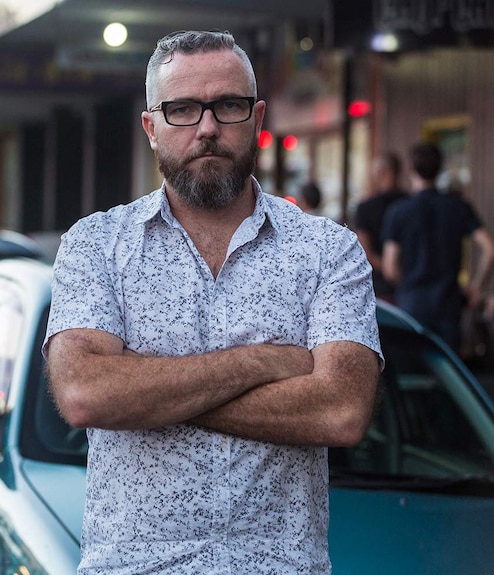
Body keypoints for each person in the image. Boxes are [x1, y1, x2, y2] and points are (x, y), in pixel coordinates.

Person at [43, 30, 382, 575]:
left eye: (228, 105)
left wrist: (144, 395)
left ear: (258, 117)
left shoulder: (327, 250)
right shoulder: (95, 245)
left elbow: (340, 411)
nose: (207, 128)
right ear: (152, 128)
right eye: (183, 109)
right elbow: (85, 394)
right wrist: (263, 362)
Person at [382, 141, 494, 351]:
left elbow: (389, 267)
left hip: (411, 303)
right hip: (448, 303)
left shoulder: (398, 212)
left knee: (412, 372)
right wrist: (477, 287)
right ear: (440, 169)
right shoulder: (458, 206)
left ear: (410, 169)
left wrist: (408, 284)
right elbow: (489, 248)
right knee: (449, 374)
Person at [353, 152, 408, 301]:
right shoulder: (411, 204)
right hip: (414, 288)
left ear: (380, 173)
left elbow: (366, 252)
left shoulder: (366, 207)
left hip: (380, 289)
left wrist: (391, 271)